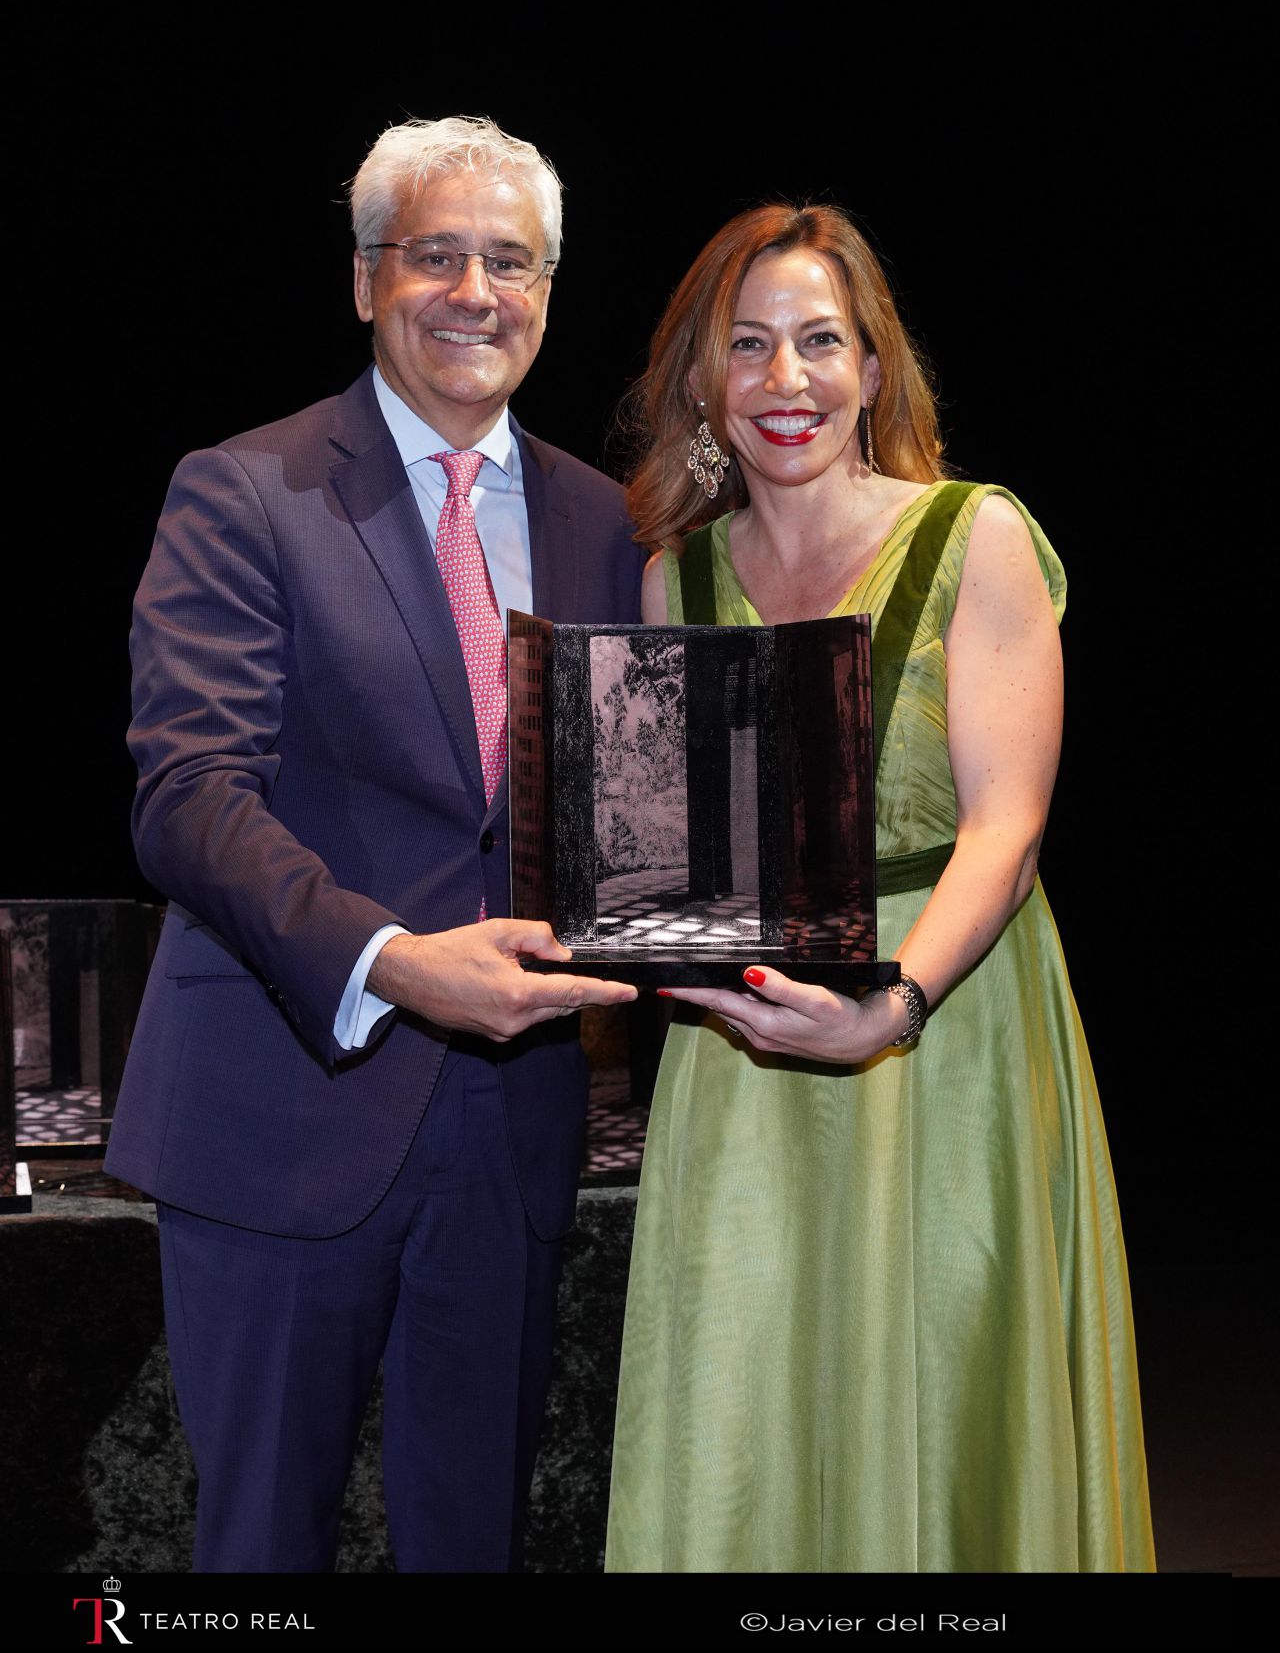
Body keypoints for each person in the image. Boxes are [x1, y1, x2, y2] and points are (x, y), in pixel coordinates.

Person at [105, 115, 643, 1573]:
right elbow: (190, 797)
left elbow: (634, 805)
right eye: (438, 257)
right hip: (280, 1108)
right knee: (259, 1552)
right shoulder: (245, 488)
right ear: (365, 280)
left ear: (546, 289)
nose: (478, 292)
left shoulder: (607, 525)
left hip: (510, 1138)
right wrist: (397, 964)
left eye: (512, 263)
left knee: (472, 1543)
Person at [604, 204, 1155, 1573]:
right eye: (749, 347)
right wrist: (639, 947)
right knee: (746, 1408)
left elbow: (1008, 827)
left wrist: (894, 1002)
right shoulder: (677, 577)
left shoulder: (981, 537)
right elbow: (670, 864)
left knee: (942, 1392)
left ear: (872, 369)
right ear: (701, 382)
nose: (786, 382)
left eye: (820, 343)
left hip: (947, 1032)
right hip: (741, 1054)